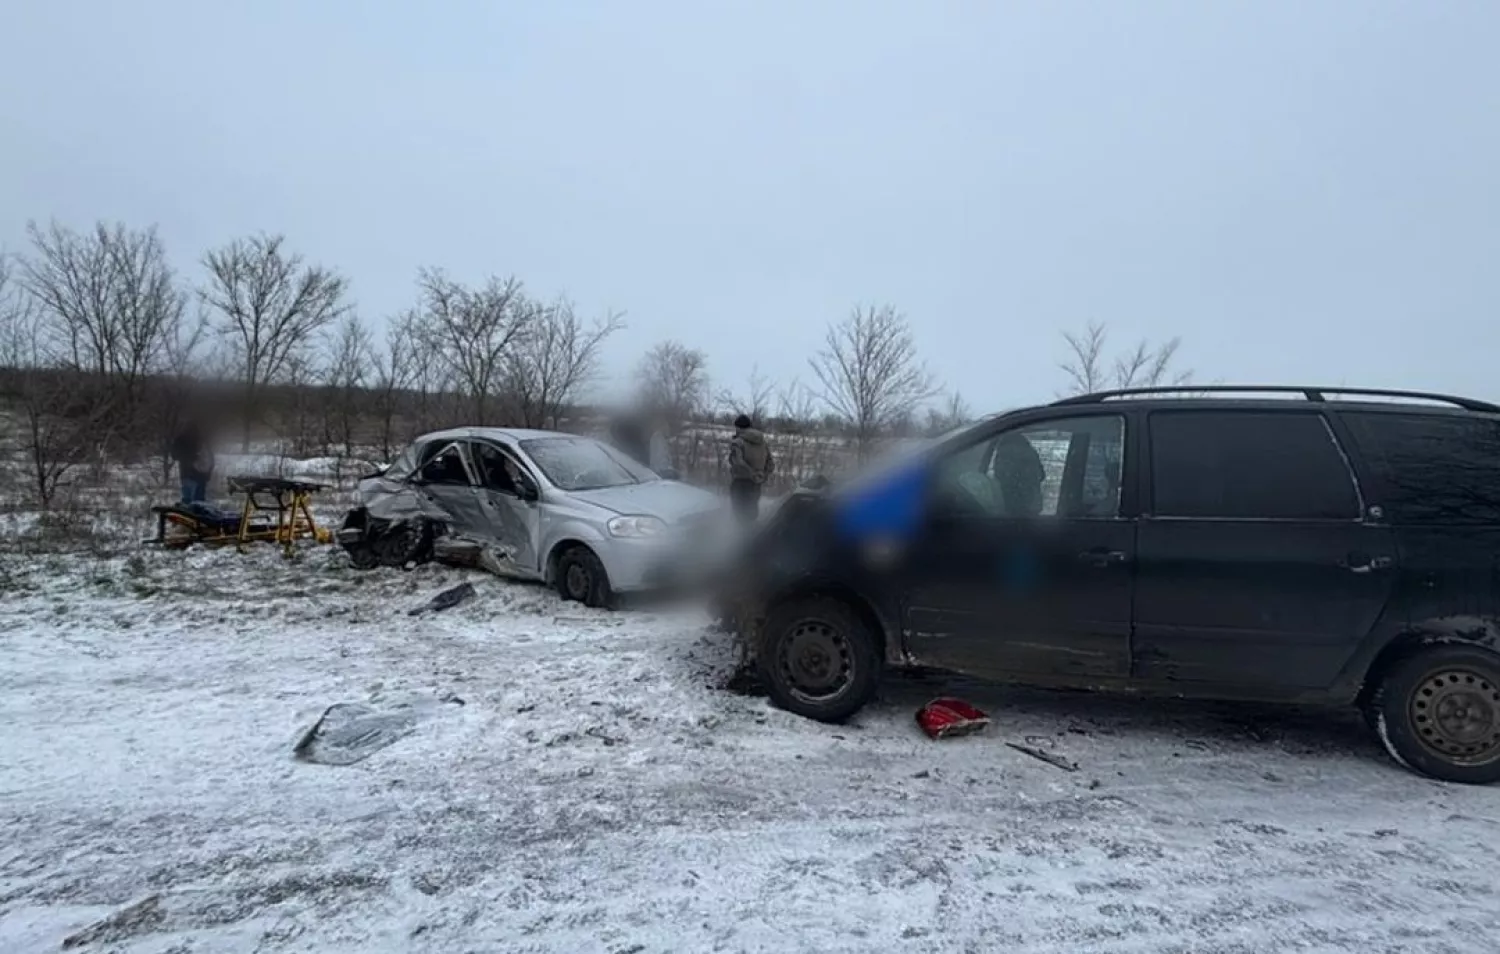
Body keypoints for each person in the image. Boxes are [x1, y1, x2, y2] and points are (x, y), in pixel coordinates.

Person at [727, 414, 774, 524]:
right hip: (756, 484)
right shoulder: (762, 442)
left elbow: (737, 462)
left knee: (739, 514)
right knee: (752, 513)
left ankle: (741, 539)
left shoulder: (738, 442)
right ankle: (753, 538)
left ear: (738, 427)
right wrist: (762, 475)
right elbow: (771, 464)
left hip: (740, 482)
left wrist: (751, 473)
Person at [170, 420, 215, 504]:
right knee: (198, 503)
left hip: (186, 474)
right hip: (200, 476)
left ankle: (185, 514)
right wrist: (208, 473)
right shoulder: (202, 440)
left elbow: (174, 455)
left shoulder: (180, 439)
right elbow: (210, 458)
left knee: (187, 501)